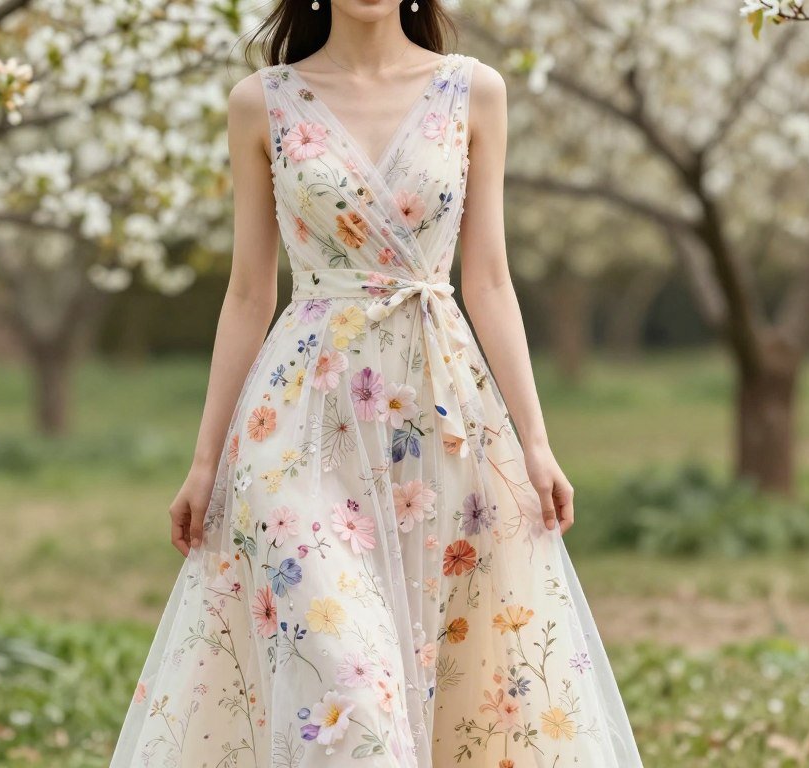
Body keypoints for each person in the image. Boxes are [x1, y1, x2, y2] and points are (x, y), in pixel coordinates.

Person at [110, 1, 644, 765]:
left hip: (440, 413)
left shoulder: (475, 91)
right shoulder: (261, 101)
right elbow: (248, 294)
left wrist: (536, 441)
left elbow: (488, 280)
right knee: (347, 686)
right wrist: (205, 462)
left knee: (447, 677)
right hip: (298, 425)